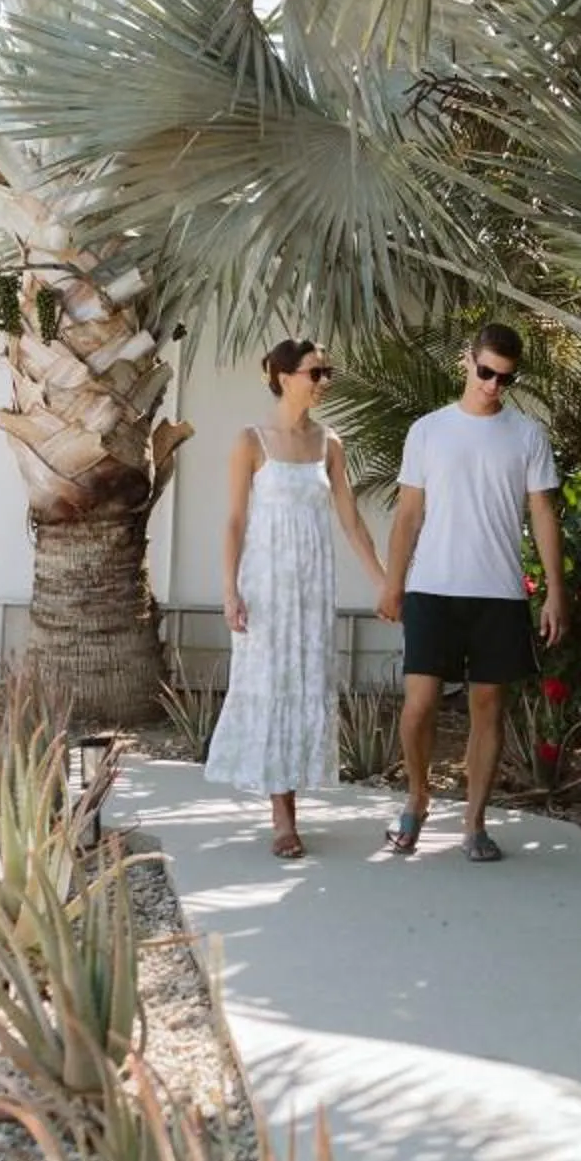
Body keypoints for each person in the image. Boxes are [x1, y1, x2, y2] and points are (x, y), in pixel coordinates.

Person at [377, 323, 567, 861]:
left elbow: (543, 514)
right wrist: (393, 583)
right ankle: (417, 797)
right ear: (468, 360)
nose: (492, 385)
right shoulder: (428, 431)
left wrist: (556, 591)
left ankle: (475, 823)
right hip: (432, 587)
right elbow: (408, 514)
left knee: (488, 707)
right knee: (419, 705)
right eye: (486, 372)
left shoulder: (527, 435)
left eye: (505, 378)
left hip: (499, 592)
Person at [203, 338, 385, 858]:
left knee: (304, 684)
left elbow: (351, 520)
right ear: (284, 378)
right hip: (266, 588)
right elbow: (234, 521)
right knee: (271, 684)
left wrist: (383, 582)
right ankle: (282, 815)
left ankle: (291, 799)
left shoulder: (330, 443)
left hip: (312, 589)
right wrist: (229, 591)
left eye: (327, 372)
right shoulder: (251, 441)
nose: (324, 381)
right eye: (315, 372)